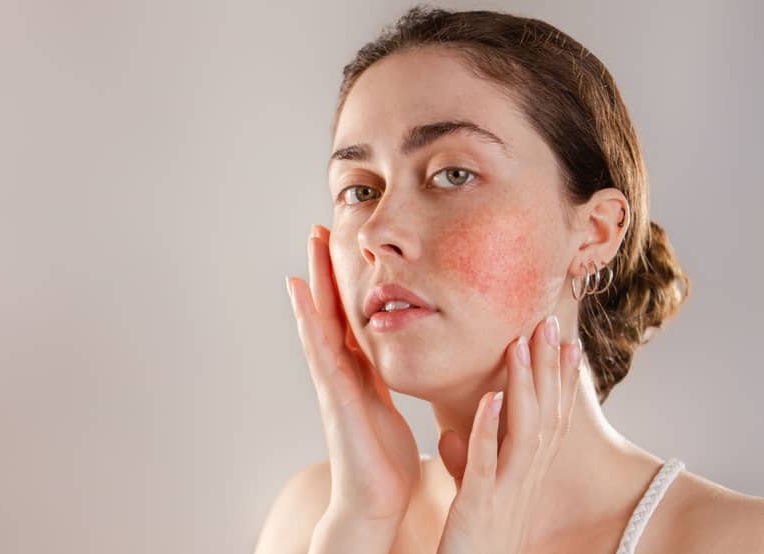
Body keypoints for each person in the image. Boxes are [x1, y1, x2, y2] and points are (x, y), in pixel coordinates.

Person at [256, 5, 764, 553]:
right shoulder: (316, 518)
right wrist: (360, 523)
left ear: (594, 232)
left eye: (453, 174)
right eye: (360, 190)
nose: (378, 232)